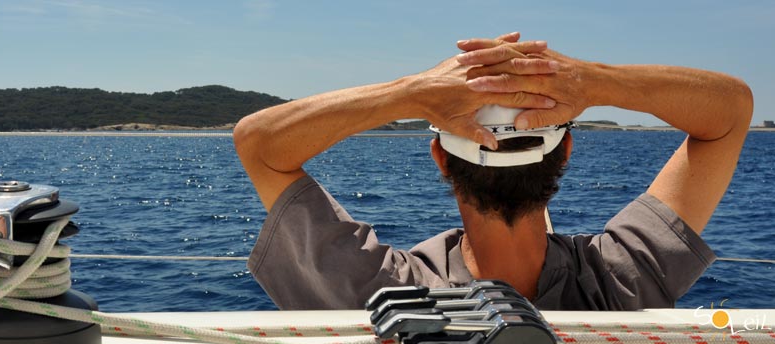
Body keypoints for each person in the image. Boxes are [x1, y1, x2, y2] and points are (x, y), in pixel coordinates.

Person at [232, 32, 753, 310]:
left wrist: (410, 92)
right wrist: (592, 82)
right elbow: (730, 112)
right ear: (566, 152)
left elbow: (258, 143)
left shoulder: (382, 292)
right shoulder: (620, 276)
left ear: (440, 158)